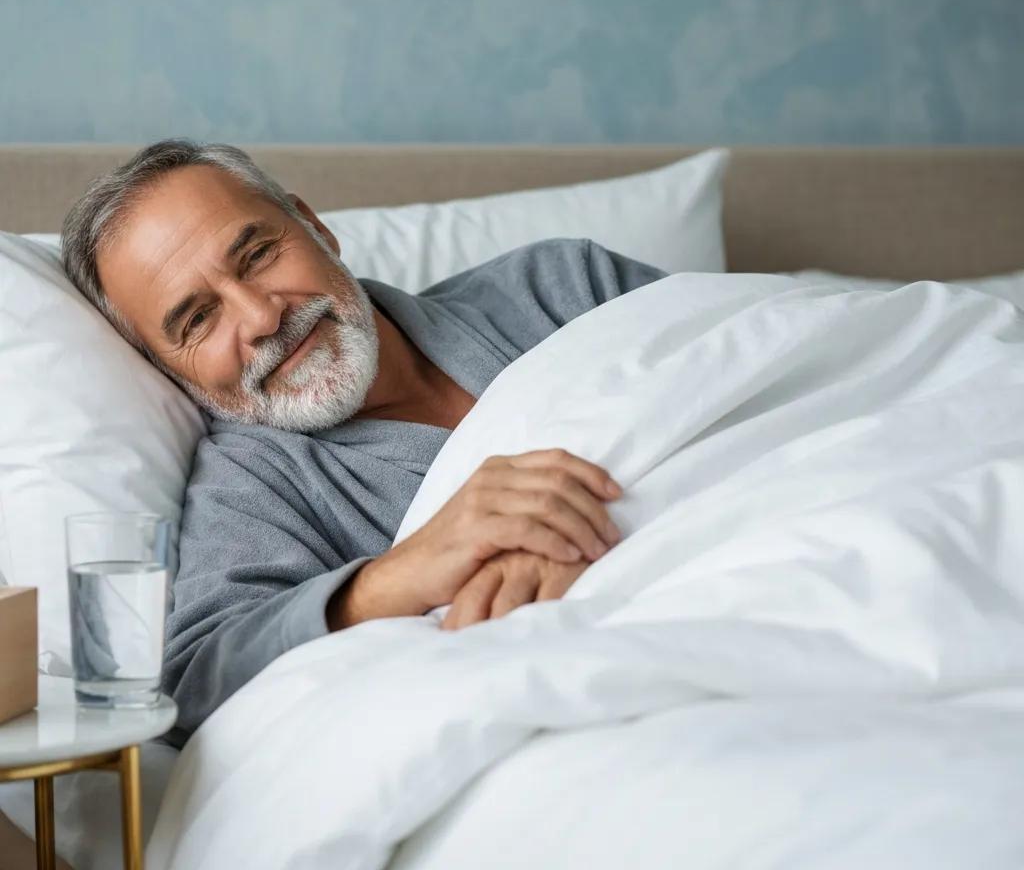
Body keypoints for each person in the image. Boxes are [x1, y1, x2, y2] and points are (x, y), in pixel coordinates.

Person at [61, 140, 666, 744]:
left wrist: (591, 529)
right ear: (166, 369)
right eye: (197, 320)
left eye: (258, 255)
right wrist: (396, 578)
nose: (261, 317)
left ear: (316, 228)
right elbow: (193, 680)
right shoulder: (252, 487)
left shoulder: (567, 287)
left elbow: (756, 348)